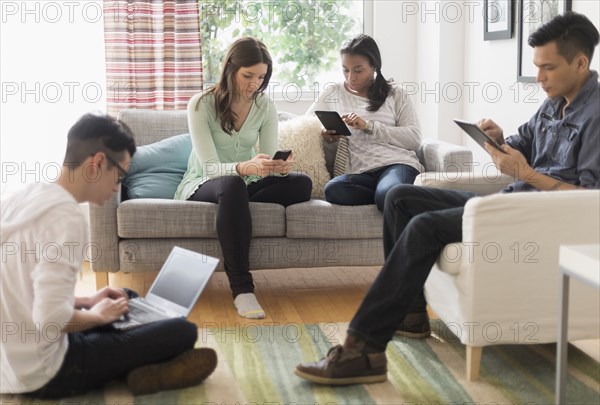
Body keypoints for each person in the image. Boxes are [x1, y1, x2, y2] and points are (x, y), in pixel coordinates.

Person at [294, 11, 600, 385]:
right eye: (536, 67)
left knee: (423, 226)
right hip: (513, 199)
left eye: (548, 68)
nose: (539, 78)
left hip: (535, 218)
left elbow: (590, 199)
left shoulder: (595, 115)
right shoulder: (554, 103)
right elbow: (521, 146)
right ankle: (410, 313)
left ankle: (364, 348)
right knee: (403, 197)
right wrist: (498, 139)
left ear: (581, 62)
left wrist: (525, 173)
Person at [0, 113, 218, 398]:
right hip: (45, 372)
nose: (117, 187)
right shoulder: (66, 218)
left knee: (125, 297)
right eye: (120, 175)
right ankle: (139, 369)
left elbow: (22, 289)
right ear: (97, 163)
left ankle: (137, 360)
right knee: (181, 331)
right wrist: (96, 317)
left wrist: (88, 302)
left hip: (9, 363)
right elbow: (51, 320)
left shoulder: (22, 197)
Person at [174, 37, 312, 319]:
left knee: (301, 183)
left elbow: (268, 155)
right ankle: (242, 289)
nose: (254, 84)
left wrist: (277, 166)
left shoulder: (265, 106)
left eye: (261, 77)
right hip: (205, 181)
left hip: (244, 182)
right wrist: (244, 168)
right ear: (230, 70)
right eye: (248, 75)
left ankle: (235, 205)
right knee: (232, 184)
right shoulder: (201, 105)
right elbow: (210, 168)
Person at [307, 34, 422, 212]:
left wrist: (368, 126)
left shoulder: (396, 93)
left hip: (396, 164)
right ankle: (391, 195)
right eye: (345, 69)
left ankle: (390, 193)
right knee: (333, 189)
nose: (350, 77)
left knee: (388, 193)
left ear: (374, 65)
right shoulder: (333, 92)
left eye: (358, 70)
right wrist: (327, 136)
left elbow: (414, 139)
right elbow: (305, 123)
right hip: (360, 174)